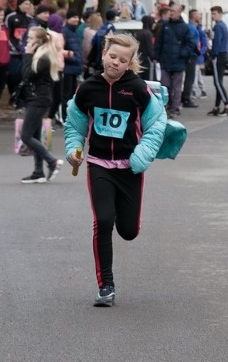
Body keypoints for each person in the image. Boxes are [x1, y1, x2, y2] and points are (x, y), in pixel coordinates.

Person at [64, 33, 167, 307]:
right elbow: (74, 126)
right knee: (104, 221)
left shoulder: (136, 88)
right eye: (112, 57)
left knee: (128, 230)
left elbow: (157, 122)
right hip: (99, 165)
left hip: (129, 167)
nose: (116, 63)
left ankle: (130, 219)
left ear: (129, 63)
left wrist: (141, 156)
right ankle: (105, 285)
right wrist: (74, 151)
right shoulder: (87, 88)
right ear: (103, 55)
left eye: (123, 60)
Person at [18, 27, 64, 183]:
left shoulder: (43, 57)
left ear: (39, 40)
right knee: (35, 135)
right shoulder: (40, 56)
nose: (27, 41)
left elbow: (26, 75)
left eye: (30, 38)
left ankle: (52, 161)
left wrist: (28, 55)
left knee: (26, 135)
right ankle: (38, 172)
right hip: (36, 99)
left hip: (39, 100)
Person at [152, 3, 196, 118]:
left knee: (177, 87)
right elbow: (159, 43)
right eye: (170, 11)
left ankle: (175, 108)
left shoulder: (184, 27)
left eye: (173, 11)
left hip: (178, 62)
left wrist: (183, 53)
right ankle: (168, 106)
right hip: (165, 61)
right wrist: (156, 56)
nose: (171, 13)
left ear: (179, 13)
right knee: (165, 85)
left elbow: (191, 43)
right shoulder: (165, 26)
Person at [207, 6, 228, 116]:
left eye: (215, 14)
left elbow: (217, 42)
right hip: (223, 54)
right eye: (212, 14)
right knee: (219, 82)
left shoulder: (218, 27)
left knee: (217, 82)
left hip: (219, 55)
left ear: (220, 14)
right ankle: (216, 106)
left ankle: (227, 105)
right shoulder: (222, 25)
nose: (213, 16)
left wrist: (213, 54)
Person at [60, 10, 83, 123]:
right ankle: (64, 117)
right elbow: (60, 51)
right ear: (67, 19)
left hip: (74, 68)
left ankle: (70, 117)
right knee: (66, 95)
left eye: (77, 17)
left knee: (72, 96)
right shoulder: (64, 32)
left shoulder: (74, 31)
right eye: (73, 17)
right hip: (67, 69)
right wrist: (73, 58)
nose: (76, 19)